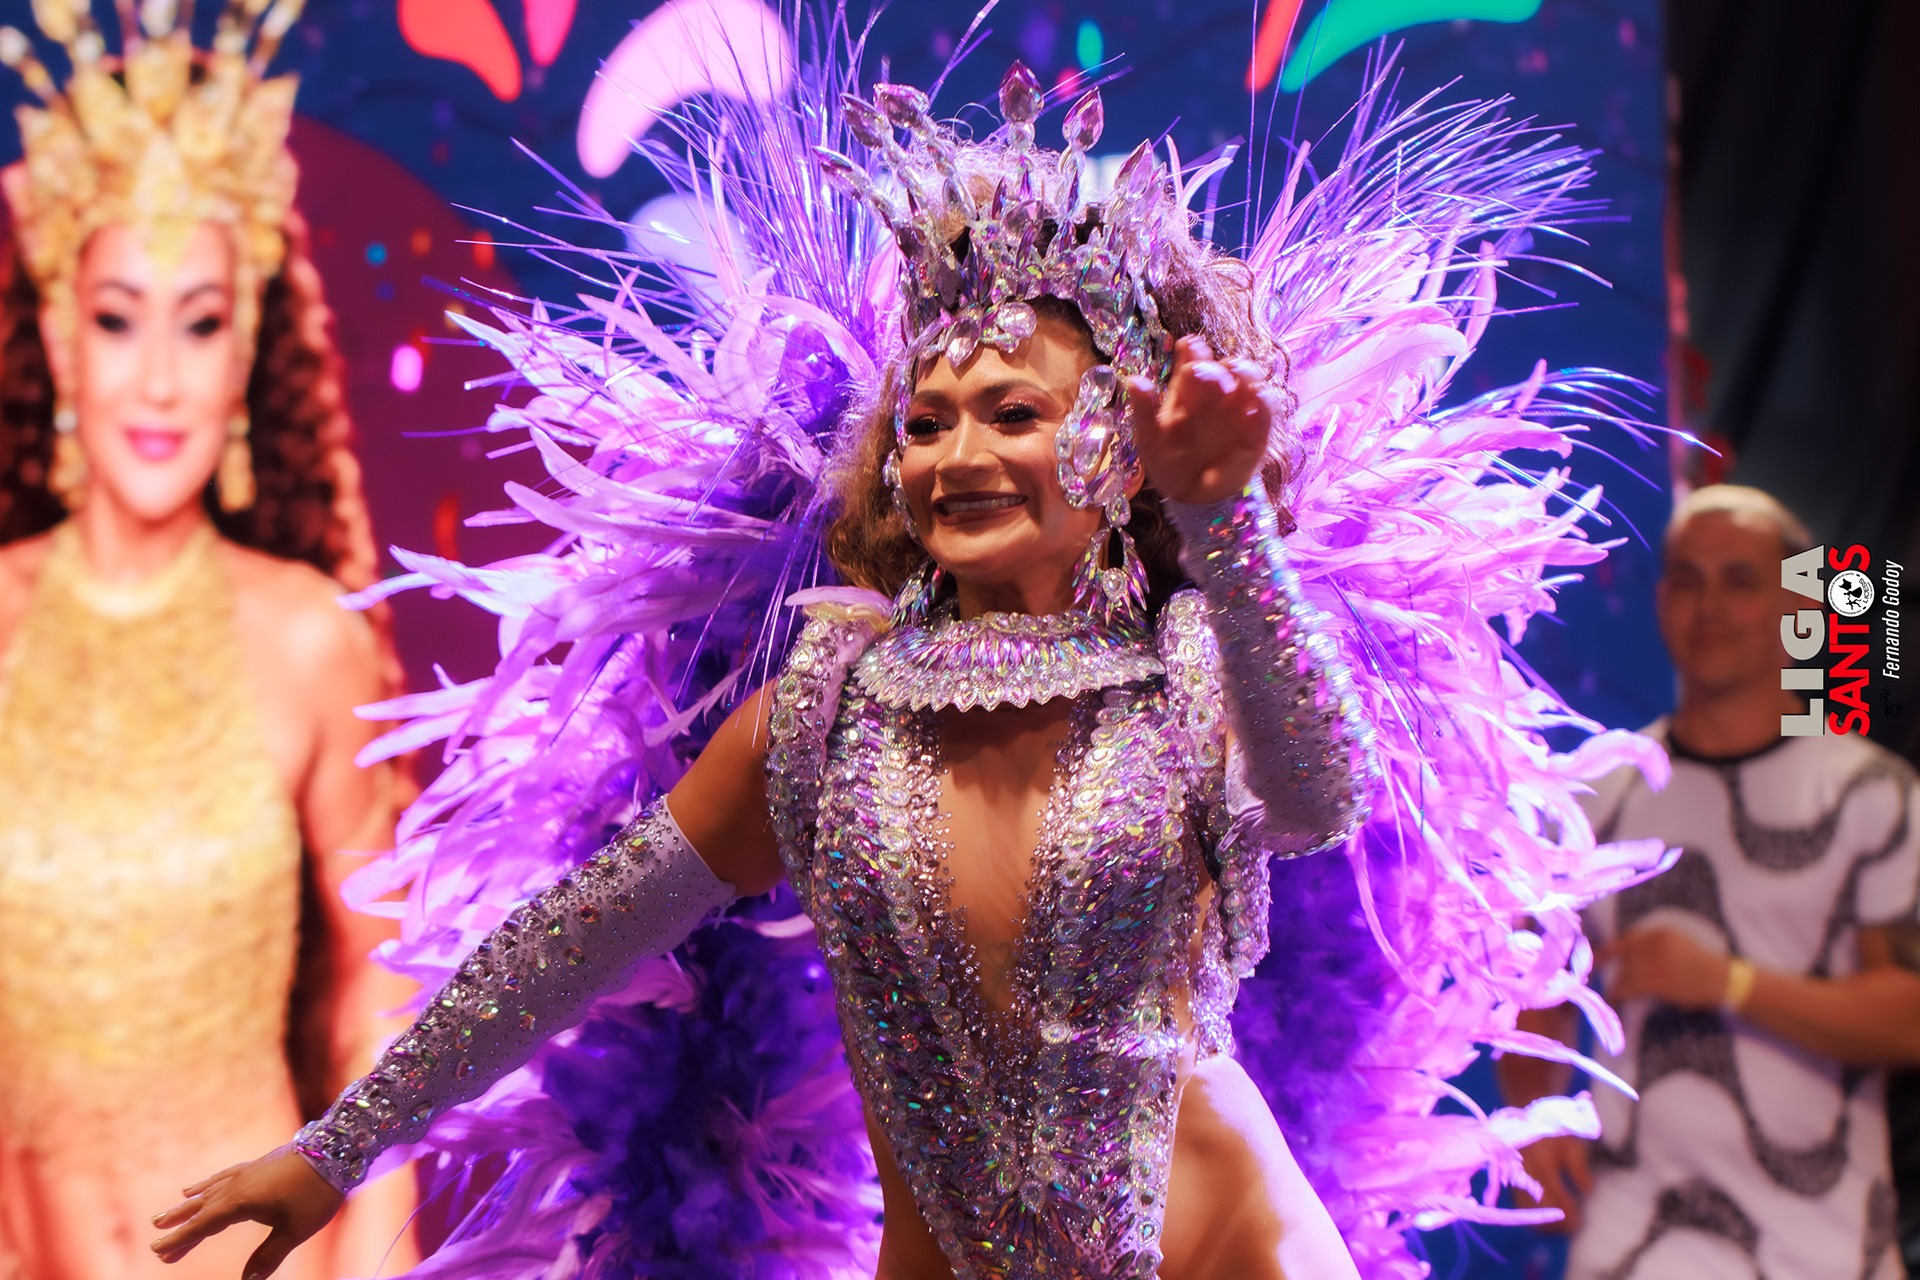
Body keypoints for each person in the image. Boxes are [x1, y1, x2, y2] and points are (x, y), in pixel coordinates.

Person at [145, 38, 1662, 1280]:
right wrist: (336, 1148)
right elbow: (568, 945)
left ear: (1114, 445)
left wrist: (1223, 520)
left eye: (1013, 413)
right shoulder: (822, 721)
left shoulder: (1192, 672)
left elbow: (1321, 798)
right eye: (926, 422)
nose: (956, 455)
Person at [0, 5, 420, 1278]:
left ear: (247, 342)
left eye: (200, 321)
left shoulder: (306, 637)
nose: (162, 382)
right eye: (119, 318)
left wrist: (371, 1261)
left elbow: (383, 990)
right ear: (60, 330)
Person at [1497, 484, 1920, 1279]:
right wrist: (1535, 1115)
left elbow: (1909, 1017)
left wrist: (1729, 982)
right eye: (1688, 580)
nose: (1710, 606)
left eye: (1739, 580)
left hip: (1825, 1248)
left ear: (1799, 605)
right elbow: (1536, 986)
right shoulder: (1602, 790)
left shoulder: (1872, 793)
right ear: (1661, 602)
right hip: (1634, 1242)